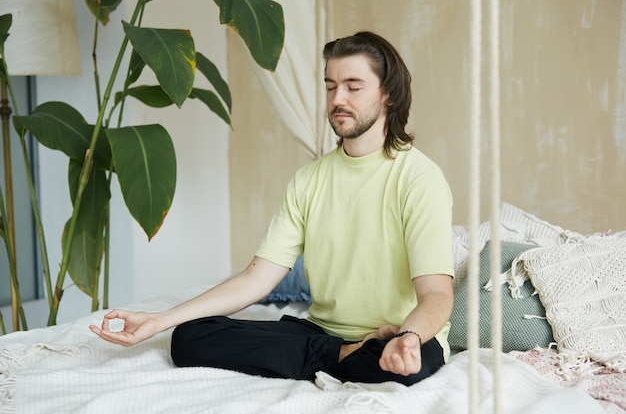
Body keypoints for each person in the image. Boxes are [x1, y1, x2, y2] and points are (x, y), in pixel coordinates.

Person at [90, 31, 454, 386]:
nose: (337, 98)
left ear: (388, 94)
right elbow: (256, 279)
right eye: (330, 86)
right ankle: (345, 354)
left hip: (403, 337)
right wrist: (159, 320)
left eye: (353, 87)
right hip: (322, 332)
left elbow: (436, 295)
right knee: (188, 337)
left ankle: (349, 353)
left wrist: (406, 338)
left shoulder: (420, 178)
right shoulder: (308, 180)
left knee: (403, 366)